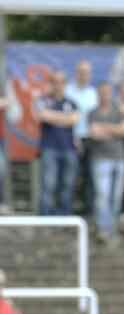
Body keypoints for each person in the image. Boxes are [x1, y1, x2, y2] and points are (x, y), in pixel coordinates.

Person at [88, 83, 124, 245]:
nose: (105, 95)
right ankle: (102, 229)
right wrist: (116, 130)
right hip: (100, 159)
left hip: (120, 159)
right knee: (102, 197)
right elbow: (94, 133)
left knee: (116, 198)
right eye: (102, 92)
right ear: (98, 94)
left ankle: (112, 229)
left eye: (108, 92)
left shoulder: (118, 110)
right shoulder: (93, 112)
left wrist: (105, 128)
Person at [35, 71, 79, 216]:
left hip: (69, 149)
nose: (58, 85)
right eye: (55, 82)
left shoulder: (71, 102)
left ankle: (64, 219)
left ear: (65, 84)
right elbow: (41, 115)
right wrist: (64, 118)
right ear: (51, 84)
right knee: (48, 185)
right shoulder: (43, 100)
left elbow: (74, 120)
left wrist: (53, 117)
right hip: (49, 149)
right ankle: (45, 220)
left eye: (61, 82)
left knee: (67, 186)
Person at [65, 60, 97, 217]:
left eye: (87, 72)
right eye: (81, 72)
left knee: (91, 178)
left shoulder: (93, 93)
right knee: (70, 179)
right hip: (71, 140)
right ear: (76, 73)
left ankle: (88, 214)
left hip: (91, 141)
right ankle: (68, 214)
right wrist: (73, 136)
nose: (84, 75)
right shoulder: (68, 91)